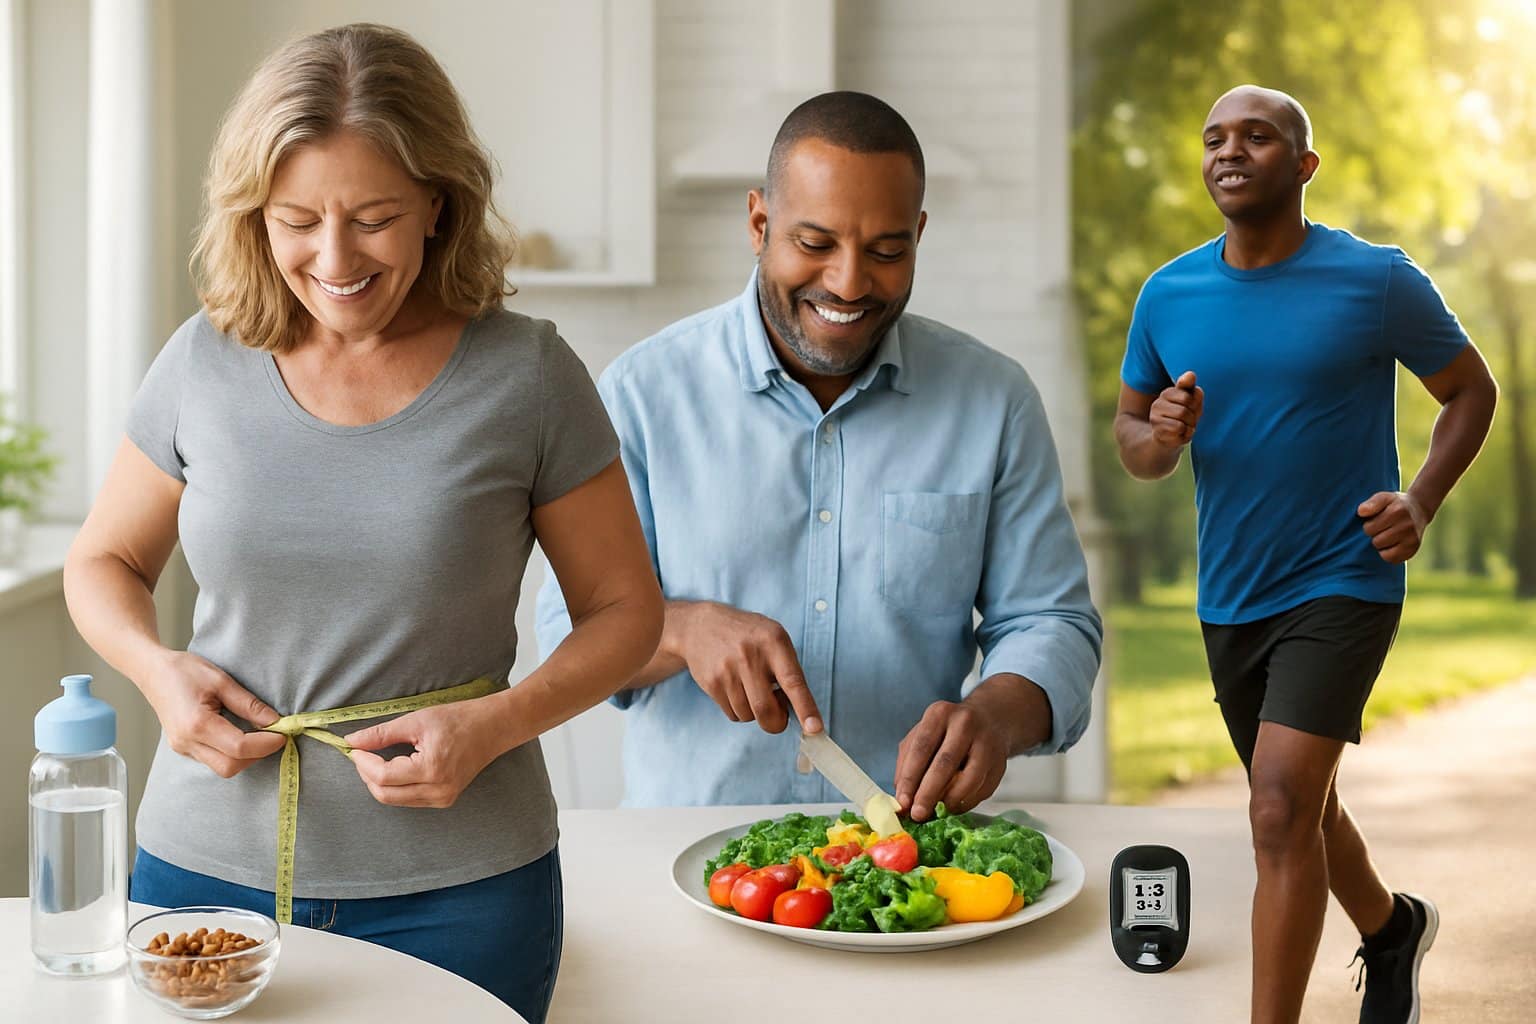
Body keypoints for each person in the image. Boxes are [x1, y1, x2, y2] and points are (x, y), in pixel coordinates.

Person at [62, 24, 662, 1023]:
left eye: (374, 217)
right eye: (296, 219)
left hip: (465, 889)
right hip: (205, 875)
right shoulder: (202, 361)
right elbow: (104, 559)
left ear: (438, 202)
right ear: (255, 215)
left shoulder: (529, 375)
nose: (333, 257)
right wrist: (158, 672)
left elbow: (625, 610)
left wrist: (494, 725)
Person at [536, 91, 1102, 820]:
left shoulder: (994, 401)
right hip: (690, 854)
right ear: (759, 223)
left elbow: (1050, 622)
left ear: (919, 235)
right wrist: (681, 628)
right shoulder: (641, 394)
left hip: (907, 866)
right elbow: (565, 632)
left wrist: (995, 713)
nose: (848, 282)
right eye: (814, 243)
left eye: (887, 251)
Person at [1114, 85, 1497, 1024]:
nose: (1228, 151)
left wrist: (1420, 498)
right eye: (1213, 138)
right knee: (1302, 803)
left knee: (1279, 809)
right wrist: (1159, 432)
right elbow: (1133, 440)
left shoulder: (1376, 281)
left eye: (1257, 135)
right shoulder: (1168, 294)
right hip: (1231, 591)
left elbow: (1470, 390)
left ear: (1303, 165)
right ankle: (1393, 926)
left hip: (1345, 575)